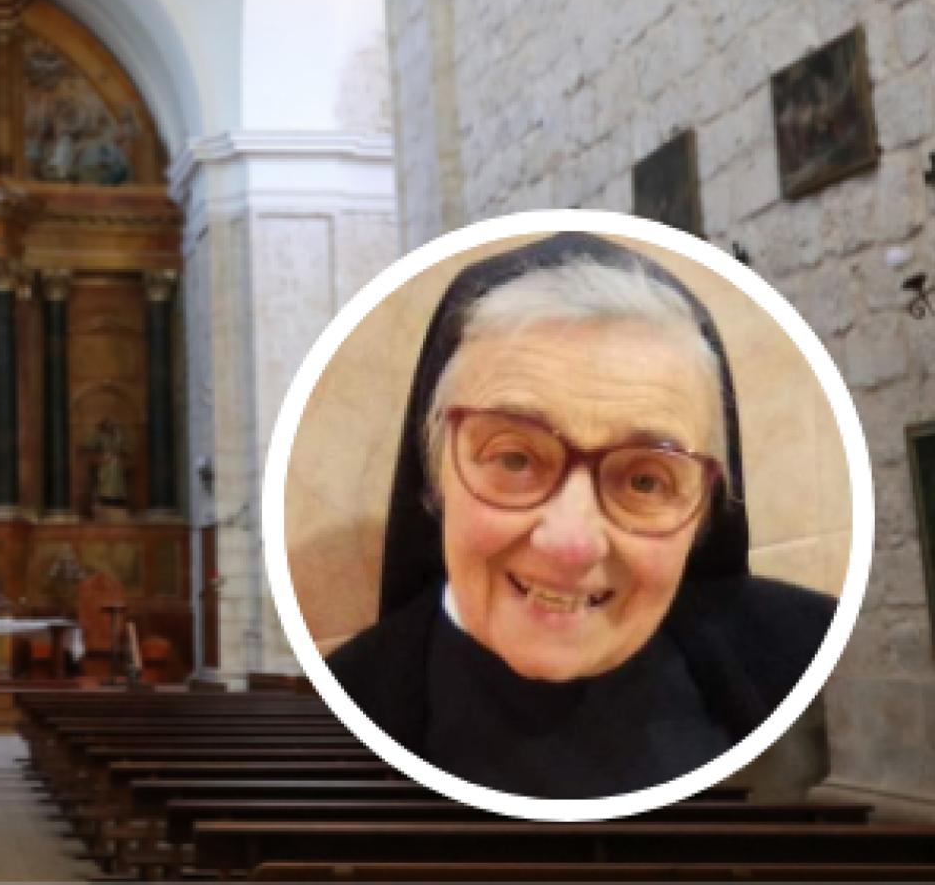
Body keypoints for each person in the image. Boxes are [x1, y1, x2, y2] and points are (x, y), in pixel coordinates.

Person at [326, 233, 834, 799]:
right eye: (515, 459)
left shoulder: (808, 661)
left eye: (645, 480)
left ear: (703, 510)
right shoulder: (349, 695)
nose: (571, 543)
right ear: (435, 472)